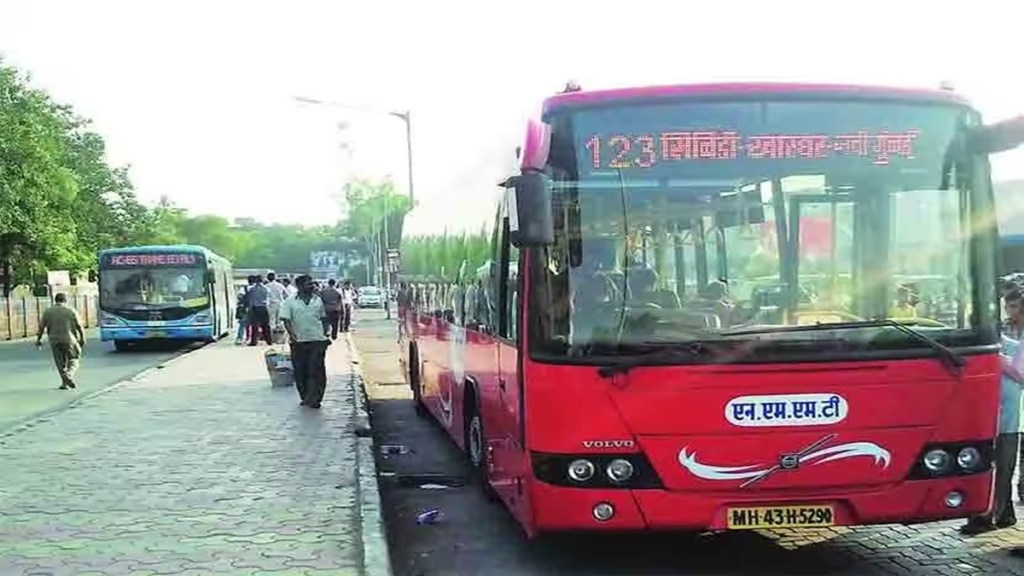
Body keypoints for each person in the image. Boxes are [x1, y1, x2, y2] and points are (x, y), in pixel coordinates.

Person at [960, 288, 1024, 535]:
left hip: (1010, 416)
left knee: (1002, 468)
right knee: (991, 466)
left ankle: (991, 515)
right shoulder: (1006, 333)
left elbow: (1020, 374)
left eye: (1015, 307)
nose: (1010, 312)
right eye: (1008, 307)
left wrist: (998, 361)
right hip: (992, 414)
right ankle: (999, 513)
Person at [279, 275, 331, 409]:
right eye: (308, 284)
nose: (312, 286)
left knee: (316, 369)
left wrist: (326, 333)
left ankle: (316, 398)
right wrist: (292, 335)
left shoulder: (318, 300)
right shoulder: (289, 302)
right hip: (299, 341)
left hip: (317, 340)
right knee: (301, 371)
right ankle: (305, 397)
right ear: (300, 286)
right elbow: (286, 320)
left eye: (312, 284)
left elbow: (323, 317)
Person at [35, 293, 86, 390]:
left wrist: (39, 339)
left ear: (55, 300)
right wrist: (82, 338)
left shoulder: (48, 312)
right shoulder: (71, 311)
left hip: (54, 340)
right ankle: (69, 374)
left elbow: (41, 327)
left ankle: (64, 383)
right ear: (65, 300)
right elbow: (79, 326)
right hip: (69, 339)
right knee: (74, 359)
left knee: (60, 362)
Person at [246, 275, 273, 346]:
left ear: (256, 281)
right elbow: (269, 298)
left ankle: (254, 342)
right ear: (262, 280)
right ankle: (269, 341)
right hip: (264, 308)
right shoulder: (267, 289)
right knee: (266, 326)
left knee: (254, 326)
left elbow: (250, 300)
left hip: (255, 308)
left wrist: (250, 309)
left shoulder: (251, 289)